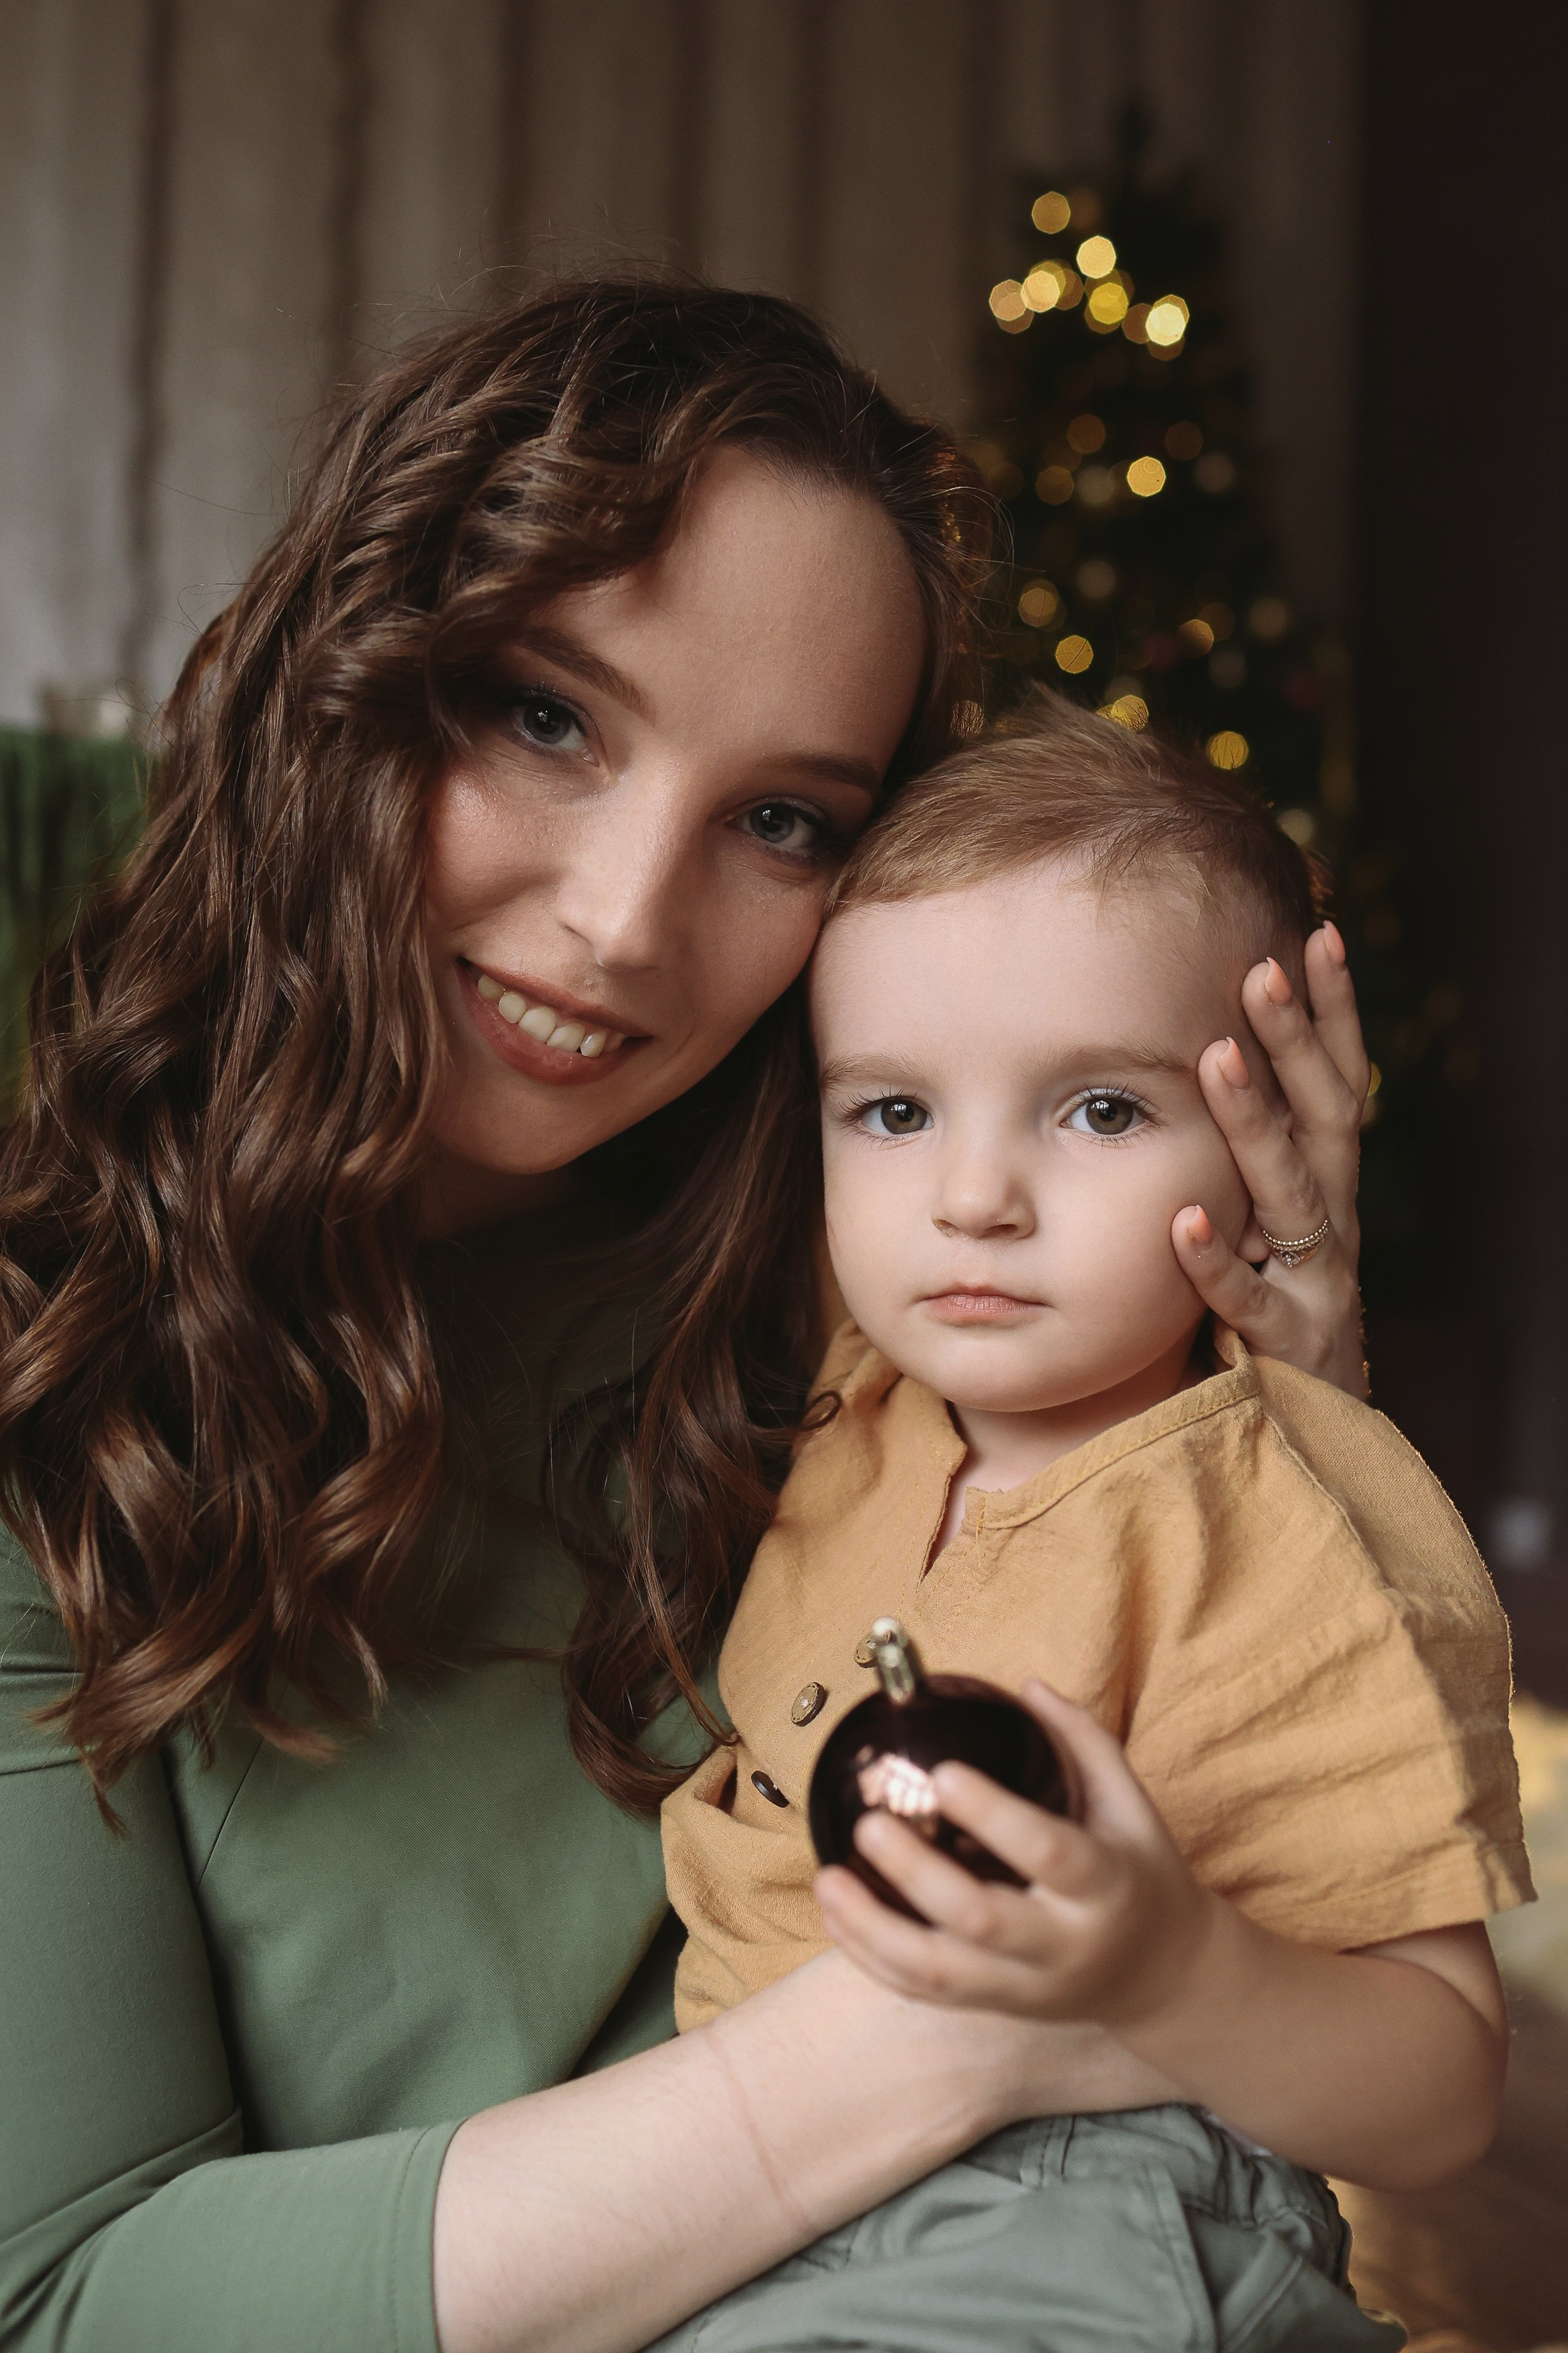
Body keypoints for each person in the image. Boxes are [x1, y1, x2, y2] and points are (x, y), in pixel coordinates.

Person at [0, 283, 1376, 2353]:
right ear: (343, 684)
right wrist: (965, 2029)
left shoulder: (913, 1292)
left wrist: (1273, 1426)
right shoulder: (44, 1386)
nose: (628, 918)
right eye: (545, 715)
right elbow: (80, 2289)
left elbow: (1382, 2112)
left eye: (782, 821)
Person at [658, 696, 1528, 2351]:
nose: (974, 1195)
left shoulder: (1279, 1528)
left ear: (1265, 1152)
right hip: (751, 2181)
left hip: (1093, 2194)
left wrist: (1169, 1967)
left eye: (1101, 1111)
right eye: (894, 1111)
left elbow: (1440, 2092)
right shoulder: (853, 1400)